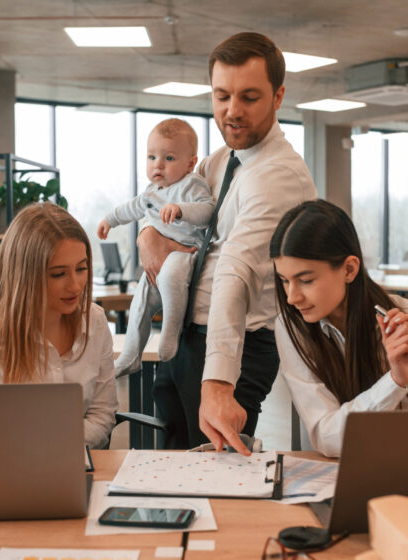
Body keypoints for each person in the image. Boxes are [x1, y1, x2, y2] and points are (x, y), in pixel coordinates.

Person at [137, 32, 317, 451]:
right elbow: (166, 201)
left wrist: (218, 383)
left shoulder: (277, 176)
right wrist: (148, 234)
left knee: (212, 473)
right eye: (222, 96)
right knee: (175, 455)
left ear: (278, 96)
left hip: (236, 346)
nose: (232, 112)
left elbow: (236, 271)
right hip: (187, 332)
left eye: (249, 97)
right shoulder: (221, 160)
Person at [271, 200, 408, 458]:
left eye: (305, 280)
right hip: (338, 477)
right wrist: (394, 381)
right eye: (285, 281)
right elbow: (326, 436)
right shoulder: (291, 327)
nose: (292, 297)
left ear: (349, 269)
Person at [0, 202, 118, 449]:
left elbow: (102, 414)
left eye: (81, 269)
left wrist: (56, 449)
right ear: (25, 275)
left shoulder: (94, 320)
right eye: (58, 274)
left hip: (74, 466)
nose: (75, 286)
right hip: (1, 476)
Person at [97, 118, 214, 377]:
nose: (158, 165)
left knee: (172, 275)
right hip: (156, 266)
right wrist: (109, 220)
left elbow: (208, 212)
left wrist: (181, 209)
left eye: (169, 158)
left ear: (190, 163)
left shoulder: (191, 185)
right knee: (140, 300)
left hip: (185, 253)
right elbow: (129, 208)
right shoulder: (151, 193)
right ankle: (131, 353)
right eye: (151, 157)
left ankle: (170, 332)